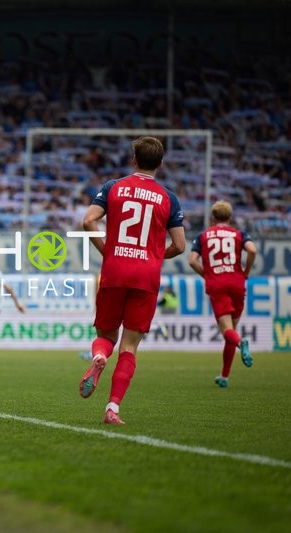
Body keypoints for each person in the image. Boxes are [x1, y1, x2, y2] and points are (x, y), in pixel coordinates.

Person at [80, 136, 186, 424]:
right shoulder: (168, 198)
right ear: (160, 164)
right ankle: (112, 408)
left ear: (134, 159)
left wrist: (107, 251)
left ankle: (99, 357)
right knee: (129, 347)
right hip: (146, 276)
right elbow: (180, 245)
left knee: (105, 337)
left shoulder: (113, 187)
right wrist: (153, 257)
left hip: (114, 270)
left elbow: (88, 221)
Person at [188, 200, 257, 387]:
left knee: (228, 331)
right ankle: (225, 377)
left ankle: (241, 342)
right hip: (237, 282)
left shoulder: (203, 235)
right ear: (230, 217)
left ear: (212, 218)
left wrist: (207, 275)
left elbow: (192, 261)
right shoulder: (239, 234)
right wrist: (247, 271)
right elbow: (252, 250)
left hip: (217, 284)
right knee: (231, 329)